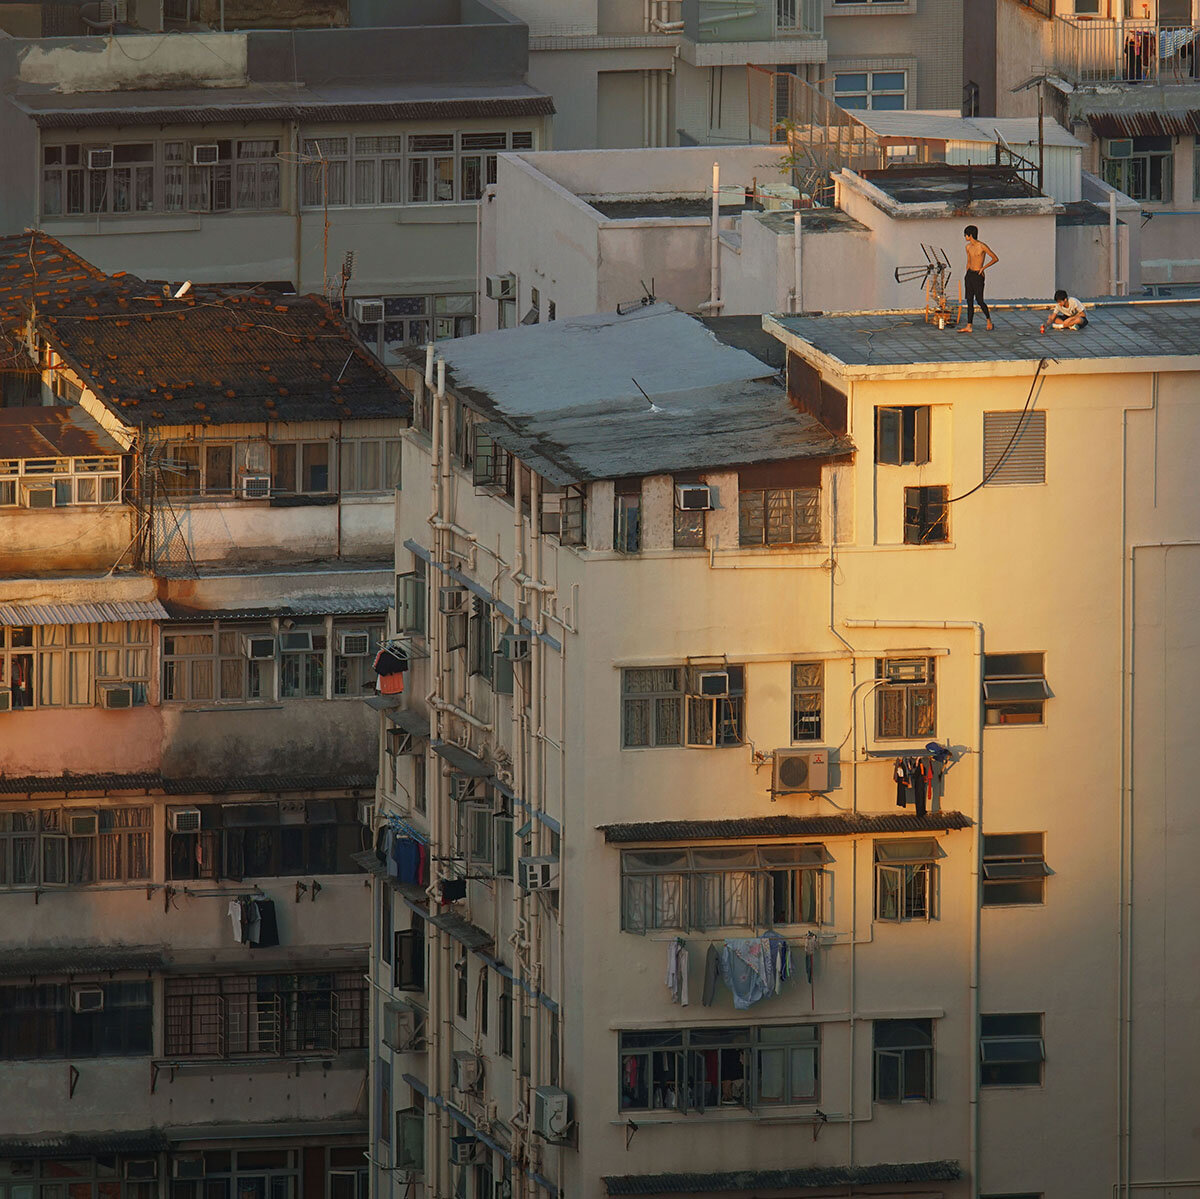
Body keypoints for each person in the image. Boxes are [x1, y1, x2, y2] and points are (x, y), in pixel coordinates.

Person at [959, 225, 998, 333]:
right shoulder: (968, 247)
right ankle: (969, 325)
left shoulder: (982, 246)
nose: (965, 237)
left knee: (980, 300)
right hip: (970, 274)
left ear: (970, 235)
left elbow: (995, 258)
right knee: (969, 300)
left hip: (978, 274)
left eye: (966, 235)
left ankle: (989, 320)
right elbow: (968, 261)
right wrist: (966, 274)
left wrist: (983, 268)